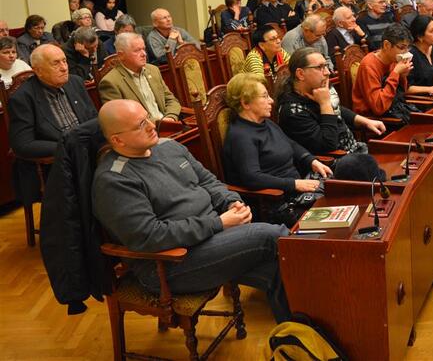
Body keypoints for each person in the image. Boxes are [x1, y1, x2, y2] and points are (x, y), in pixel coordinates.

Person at [92, 99, 291, 323]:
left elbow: (209, 182)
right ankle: (312, 249)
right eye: (140, 125)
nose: (151, 125)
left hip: (212, 238)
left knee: (283, 268)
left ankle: (298, 333)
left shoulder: (169, 147)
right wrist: (219, 223)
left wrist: (231, 202)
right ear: (117, 140)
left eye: (147, 117)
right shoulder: (114, 180)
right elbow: (149, 236)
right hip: (170, 263)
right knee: (270, 236)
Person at [8, 44, 97, 206]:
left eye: (64, 61)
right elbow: (23, 145)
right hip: (55, 164)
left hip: (87, 151)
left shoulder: (75, 82)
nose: (64, 68)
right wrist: (67, 147)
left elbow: (93, 118)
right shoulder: (22, 98)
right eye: (56, 63)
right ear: (38, 70)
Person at [222, 73, 332, 200]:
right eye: (265, 96)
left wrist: (311, 161)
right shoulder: (241, 136)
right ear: (245, 103)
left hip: (297, 187)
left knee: (341, 183)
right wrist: (294, 184)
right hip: (277, 200)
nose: (271, 101)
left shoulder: (265, 123)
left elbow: (290, 144)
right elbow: (252, 178)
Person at [277, 48, 385, 154]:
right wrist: (325, 104)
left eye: (326, 66)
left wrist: (366, 121)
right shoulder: (292, 111)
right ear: (300, 74)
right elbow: (328, 145)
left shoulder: (321, 87)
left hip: (355, 149)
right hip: (337, 160)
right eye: (320, 67)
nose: (327, 72)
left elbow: (336, 109)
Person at [99, 32, 182, 122]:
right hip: (143, 129)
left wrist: (171, 117)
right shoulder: (110, 82)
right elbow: (122, 119)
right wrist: (160, 123)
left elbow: (171, 100)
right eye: (137, 50)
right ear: (121, 55)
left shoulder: (153, 70)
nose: (144, 54)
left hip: (168, 123)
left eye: (143, 49)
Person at [351, 23, 414, 118]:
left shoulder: (394, 59)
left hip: (394, 109)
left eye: (407, 48)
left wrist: (402, 76)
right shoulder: (369, 65)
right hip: (373, 119)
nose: (406, 52)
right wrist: (395, 73)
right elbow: (379, 107)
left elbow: (400, 94)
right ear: (386, 45)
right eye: (402, 48)